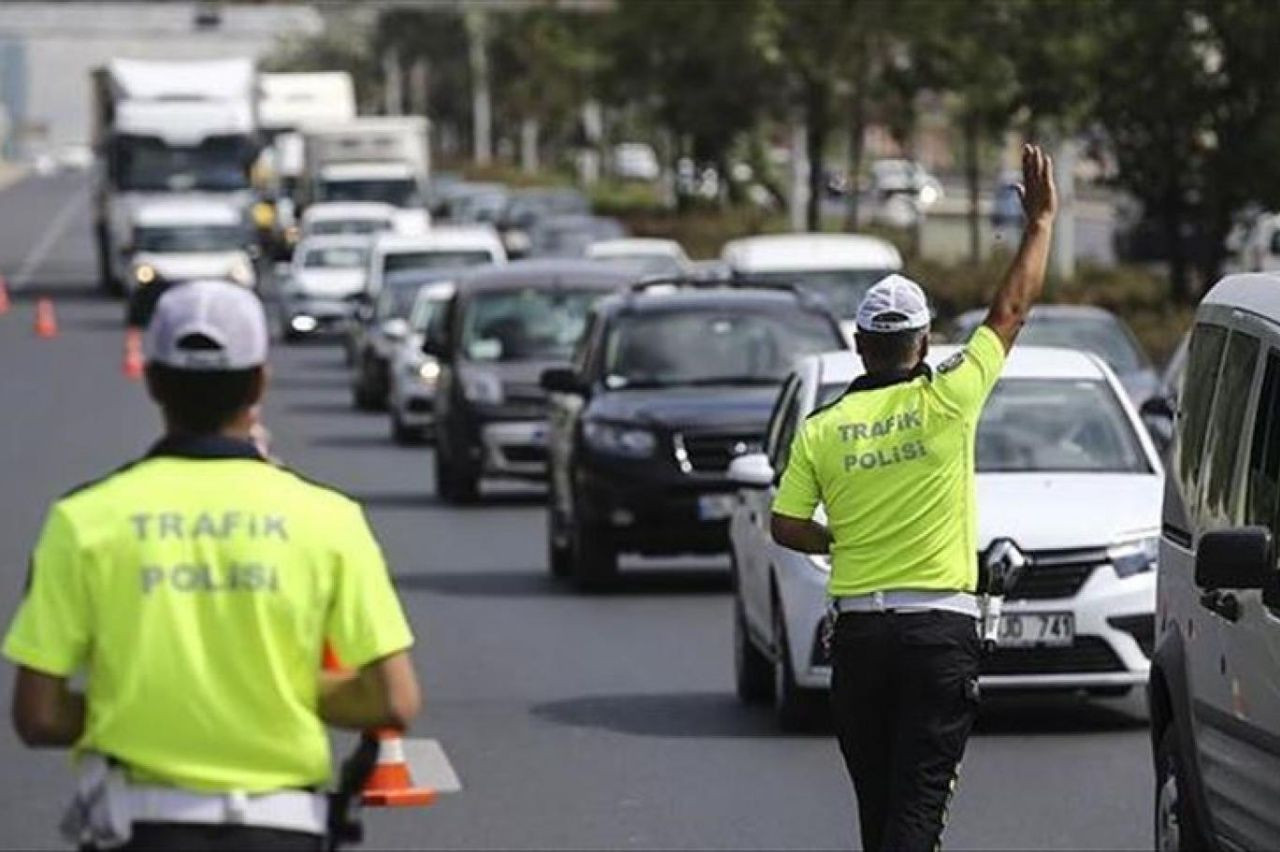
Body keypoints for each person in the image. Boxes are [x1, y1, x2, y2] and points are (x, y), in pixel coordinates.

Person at [4, 279, 421, 851]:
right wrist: (274, 690)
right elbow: (393, 700)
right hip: (283, 826)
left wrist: (142, 705)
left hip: (138, 827)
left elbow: (38, 715)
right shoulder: (329, 520)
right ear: (260, 383)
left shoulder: (84, 521)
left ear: (151, 380)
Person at [770, 144, 1058, 851]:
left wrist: (841, 540)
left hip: (861, 639)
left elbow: (784, 525)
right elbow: (1011, 310)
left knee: (880, 811)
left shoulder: (823, 428)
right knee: (917, 810)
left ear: (862, 346)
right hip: (938, 636)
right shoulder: (951, 398)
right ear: (924, 342)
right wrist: (1041, 224)